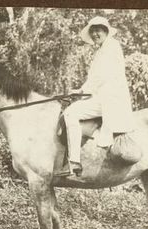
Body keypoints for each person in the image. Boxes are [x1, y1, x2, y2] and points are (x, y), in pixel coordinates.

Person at [60, 16, 140, 176]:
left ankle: (74, 161)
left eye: (98, 30)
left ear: (106, 31)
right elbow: (95, 79)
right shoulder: (103, 49)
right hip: (104, 96)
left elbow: (101, 77)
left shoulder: (111, 47)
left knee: (69, 113)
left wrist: (82, 92)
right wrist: (81, 91)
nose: (95, 34)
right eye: (93, 31)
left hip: (110, 99)